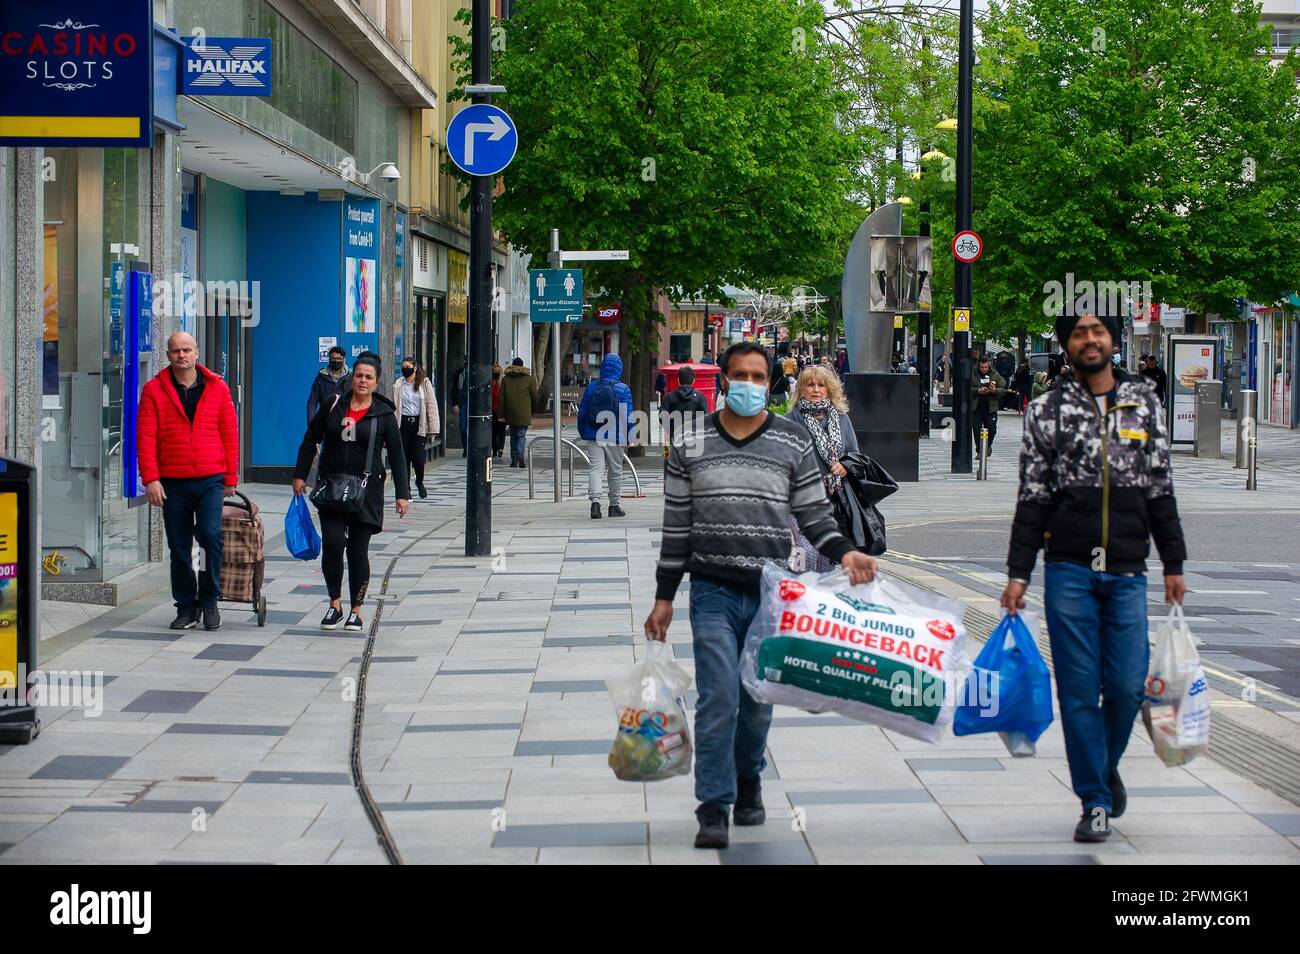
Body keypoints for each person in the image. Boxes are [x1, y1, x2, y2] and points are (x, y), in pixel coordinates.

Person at [644, 341, 879, 850]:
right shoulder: (691, 444)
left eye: (758, 376)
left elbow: (815, 516)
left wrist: (845, 554)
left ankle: (749, 776)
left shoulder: (792, 442)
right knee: (717, 698)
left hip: (771, 592)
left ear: (769, 383)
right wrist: (664, 597)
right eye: (739, 376)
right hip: (711, 591)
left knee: (754, 701)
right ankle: (713, 805)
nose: (748, 384)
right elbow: (676, 527)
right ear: (723, 381)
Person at [1001, 299, 1186, 844]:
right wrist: (1018, 572)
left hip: (1128, 569)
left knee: (1128, 688)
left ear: (1113, 339)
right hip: (1069, 570)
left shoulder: (1144, 404)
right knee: (1080, 692)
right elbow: (1032, 498)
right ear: (1067, 344)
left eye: (1098, 330)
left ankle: (1102, 767)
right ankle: (1095, 801)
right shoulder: (1047, 411)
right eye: (1079, 331)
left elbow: (1161, 488)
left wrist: (1173, 561)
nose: (1089, 339)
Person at [293, 354, 409, 632]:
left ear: (376, 381)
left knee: (358, 551)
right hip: (332, 487)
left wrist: (402, 493)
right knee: (333, 544)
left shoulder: (383, 413)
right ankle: (334, 604)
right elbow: (310, 438)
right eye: (359, 375)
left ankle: (356, 610)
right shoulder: (333, 405)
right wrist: (299, 475)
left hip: (367, 492)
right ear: (351, 377)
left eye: (368, 377)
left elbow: (397, 453)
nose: (362, 381)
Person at [136, 332, 239, 631]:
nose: (181, 355)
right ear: (167, 355)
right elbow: (145, 438)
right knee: (179, 547)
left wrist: (230, 477)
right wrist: (151, 479)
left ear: (197, 352)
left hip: (210, 478)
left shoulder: (217, 388)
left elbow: (230, 435)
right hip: (172, 482)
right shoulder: (154, 390)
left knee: (209, 537)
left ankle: (209, 600)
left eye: (186, 350)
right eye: (175, 351)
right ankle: (185, 606)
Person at [786, 365, 859, 572]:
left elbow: (854, 453)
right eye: (810, 385)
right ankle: (800, 589)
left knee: (826, 557)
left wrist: (845, 465)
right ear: (801, 389)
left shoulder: (841, 418)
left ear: (830, 389)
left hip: (833, 498)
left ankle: (819, 598)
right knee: (806, 551)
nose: (816, 390)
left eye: (821, 385)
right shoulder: (791, 420)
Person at [577, 354, 635, 519]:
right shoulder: (623, 389)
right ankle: (614, 506)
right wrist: (630, 437)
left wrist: (583, 431)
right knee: (615, 471)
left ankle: (595, 504)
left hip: (594, 434)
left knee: (595, 469)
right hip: (615, 436)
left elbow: (583, 412)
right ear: (619, 369)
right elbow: (627, 415)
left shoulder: (592, 387)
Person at [393, 358, 438, 499]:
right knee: (404, 459)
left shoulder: (424, 383)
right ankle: (406, 489)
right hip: (403, 424)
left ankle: (419, 481)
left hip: (419, 424)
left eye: (408, 366)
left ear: (414, 368)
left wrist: (433, 428)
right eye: (403, 366)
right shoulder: (398, 384)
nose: (405, 369)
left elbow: (431, 405)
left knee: (418, 458)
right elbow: (394, 407)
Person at [659, 364, 709, 447]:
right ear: (693, 380)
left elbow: (662, 416)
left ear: (678, 380)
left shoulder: (670, 396)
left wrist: (670, 428)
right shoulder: (700, 396)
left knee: (672, 458)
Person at [501, 357, 538, 467]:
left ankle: (514, 458)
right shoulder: (529, 379)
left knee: (513, 435)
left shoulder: (506, 379)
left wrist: (501, 414)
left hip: (510, 411)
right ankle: (520, 455)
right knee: (521, 435)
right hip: (524, 412)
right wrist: (533, 409)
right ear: (522, 366)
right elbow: (534, 396)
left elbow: (501, 398)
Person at [971, 355, 1007, 455]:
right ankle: (980, 451)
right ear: (979, 366)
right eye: (982, 367)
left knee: (992, 429)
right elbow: (965, 388)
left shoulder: (994, 373)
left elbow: (1002, 386)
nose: (984, 369)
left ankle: (987, 445)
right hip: (977, 407)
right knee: (977, 430)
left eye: (986, 367)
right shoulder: (973, 373)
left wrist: (994, 390)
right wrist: (978, 391)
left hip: (990, 407)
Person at [307, 345, 351, 423]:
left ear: (344, 360)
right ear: (329, 359)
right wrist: (311, 423)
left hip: (344, 421)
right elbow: (312, 402)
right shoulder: (321, 377)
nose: (336, 361)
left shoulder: (350, 378)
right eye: (333, 358)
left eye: (339, 359)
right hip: (325, 420)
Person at [450, 359, 468, 456]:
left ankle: (470, 447)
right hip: (463, 402)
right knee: (463, 428)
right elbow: (453, 389)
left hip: (474, 404)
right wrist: (455, 403)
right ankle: (466, 447)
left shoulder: (478, 373)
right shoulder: (459, 373)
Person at [491, 363, 507, 458]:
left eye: (498, 372)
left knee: (501, 431)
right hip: (492, 411)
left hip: (501, 411)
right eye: (494, 372)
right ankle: (494, 449)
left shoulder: (503, 382)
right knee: (493, 432)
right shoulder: (491, 383)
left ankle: (500, 448)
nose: (496, 373)